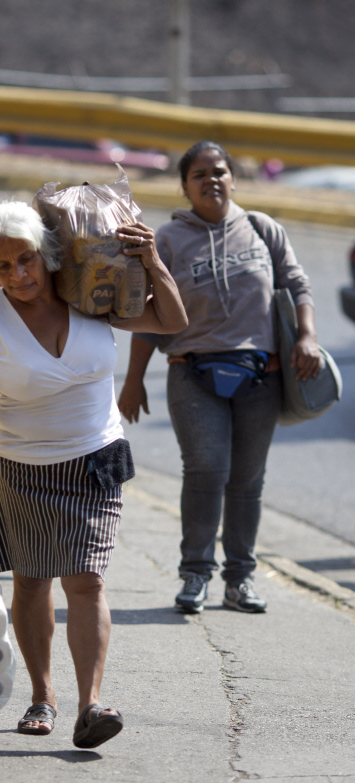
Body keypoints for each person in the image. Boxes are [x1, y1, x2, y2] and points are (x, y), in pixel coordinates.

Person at [0, 201, 187, 747]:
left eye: (26, 260)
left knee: (87, 579)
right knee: (31, 581)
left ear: (46, 256)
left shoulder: (91, 295)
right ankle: (41, 696)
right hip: (21, 468)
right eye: (3, 268)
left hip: (96, 459)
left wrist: (154, 261)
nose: (18, 276)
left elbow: (171, 321)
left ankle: (91, 704)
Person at [118, 141, 321, 615]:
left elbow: (297, 285)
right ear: (185, 186)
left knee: (247, 481)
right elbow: (149, 315)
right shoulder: (167, 240)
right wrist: (132, 380)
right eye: (200, 174)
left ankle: (240, 580)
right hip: (192, 373)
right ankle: (194, 575)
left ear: (233, 178)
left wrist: (307, 336)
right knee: (207, 468)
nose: (212, 179)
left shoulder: (261, 229)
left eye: (220, 171)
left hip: (261, 376)